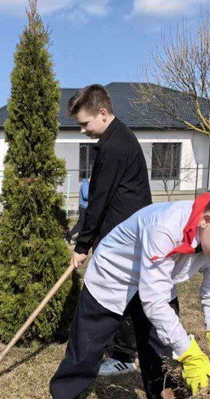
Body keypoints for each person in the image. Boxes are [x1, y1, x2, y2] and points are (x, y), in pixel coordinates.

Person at [37, 185, 210, 399]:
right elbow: (155, 302)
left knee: (161, 355)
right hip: (115, 276)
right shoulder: (166, 225)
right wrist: (189, 352)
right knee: (86, 348)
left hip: (158, 279)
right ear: (206, 220)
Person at [67, 84, 153, 378]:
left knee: (123, 295)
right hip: (122, 231)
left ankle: (123, 356)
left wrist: (82, 246)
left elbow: (98, 199)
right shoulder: (118, 138)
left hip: (124, 235)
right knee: (126, 294)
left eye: (84, 123)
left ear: (102, 113)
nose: (82, 131)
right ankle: (122, 350)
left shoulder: (114, 145)